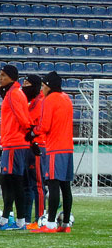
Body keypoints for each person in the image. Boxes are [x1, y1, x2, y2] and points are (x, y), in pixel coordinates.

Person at [29, 71, 75, 234]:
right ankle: (66, 223)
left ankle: (50, 224)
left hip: (55, 148)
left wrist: (33, 132)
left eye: (43, 86)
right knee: (66, 186)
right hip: (68, 147)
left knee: (53, 184)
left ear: (48, 85)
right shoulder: (66, 99)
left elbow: (45, 126)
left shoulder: (50, 100)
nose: (42, 90)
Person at [0, 64, 33, 230]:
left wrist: (28, 132)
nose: (0, 78)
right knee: (11, 181)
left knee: (13, 182)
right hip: (13, 142)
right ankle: (6, 219)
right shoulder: (15, 92)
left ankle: (19, 221)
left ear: (11, 77)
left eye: (3, 75)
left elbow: (21, 117)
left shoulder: (13, 94)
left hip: (14, 143)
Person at [22, 74, 46, 228]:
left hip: (38, 145)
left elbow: (33, 122)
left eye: (27, 83)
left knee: (38, 184)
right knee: (29, 184)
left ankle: (40, 218)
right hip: (30, 145)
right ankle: (27, 218)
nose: (24, 86)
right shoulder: (31, 101)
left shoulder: (41, 102)